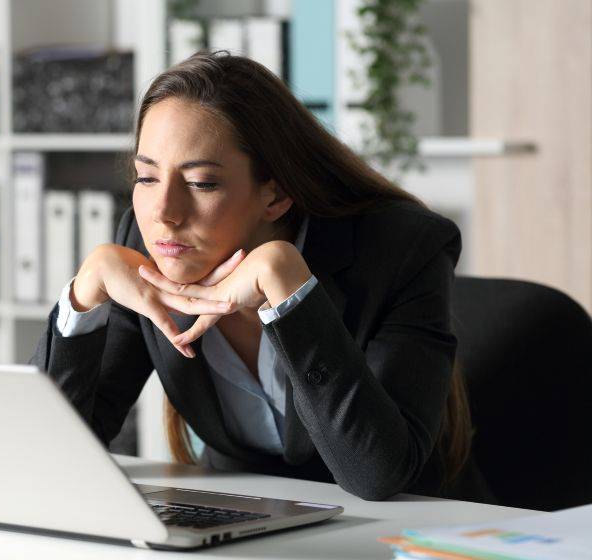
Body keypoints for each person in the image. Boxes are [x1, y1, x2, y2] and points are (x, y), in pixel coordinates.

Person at [31, 51, 495, 503]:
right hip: (246, 525)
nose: (164, 214)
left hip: (404, 536)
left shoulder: (403, 249)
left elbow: (376, 476)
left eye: (201, 183)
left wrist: (289, 288)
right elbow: (54, 455)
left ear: (275, 196)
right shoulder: (151, 247)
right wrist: (84, 294)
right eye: (146, 178)